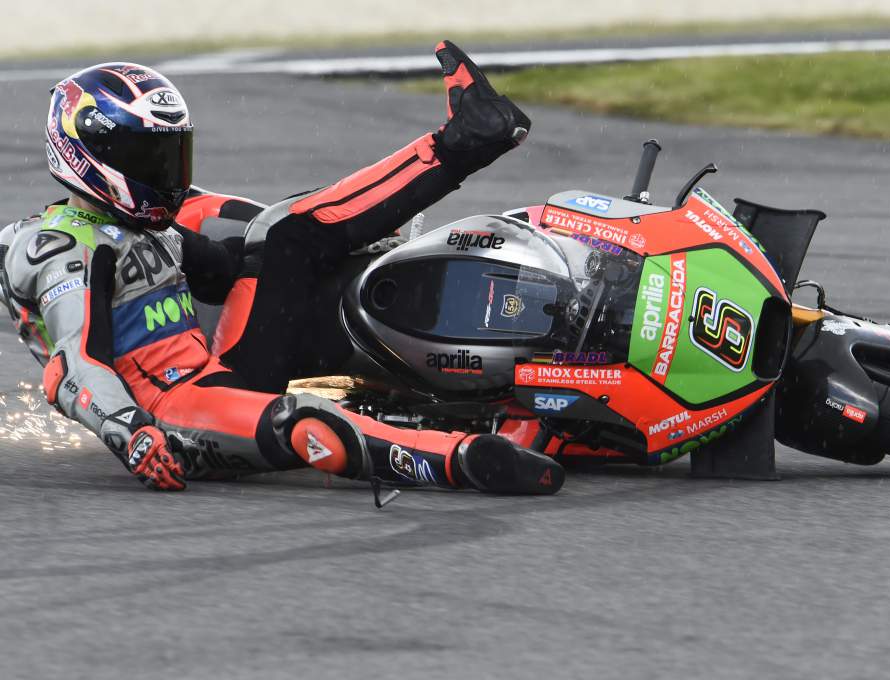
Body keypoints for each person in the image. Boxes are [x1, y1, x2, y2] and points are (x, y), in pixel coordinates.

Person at [0, 42, 564, 498]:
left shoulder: (150, 225)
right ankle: (461, 461)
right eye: (148, 158)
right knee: (307, 422)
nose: (165, 173)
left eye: (170, 154)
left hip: (222, 369)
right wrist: (131, 434)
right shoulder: (59, 247)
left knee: (304, 256)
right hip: (173, 416)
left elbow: (229, 267)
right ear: (88, 155)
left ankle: (528, 395)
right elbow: (75, 366)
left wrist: (344, 248)